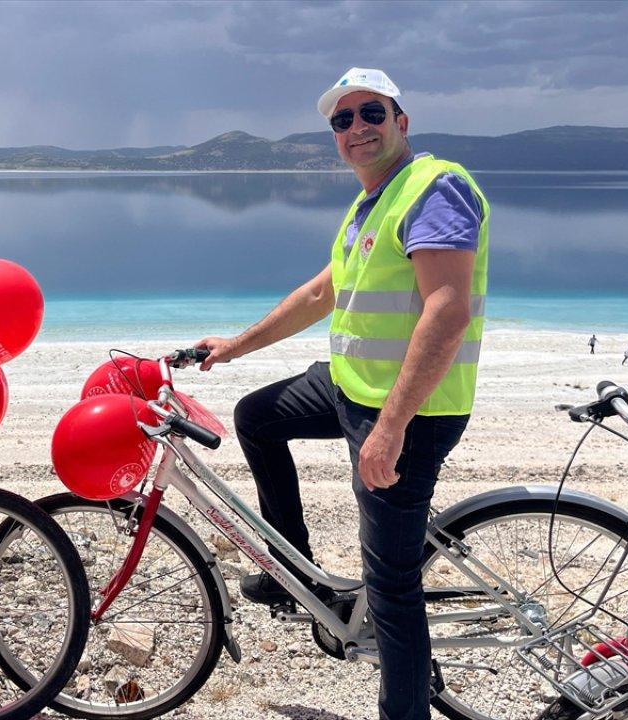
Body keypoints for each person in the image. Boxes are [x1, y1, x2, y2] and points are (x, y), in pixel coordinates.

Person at [195, 68, 488, 720]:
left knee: (390, 587)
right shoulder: (370, 204)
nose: (357, 128)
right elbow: (319, 296)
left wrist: (389, 429)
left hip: (408, 409)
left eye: (371, 113)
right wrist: (234, 347)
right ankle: (287, 571)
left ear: (401, 122)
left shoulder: (433, 187)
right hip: (349, 385)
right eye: (342, 120)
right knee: (258, 417)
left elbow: (447, 311)